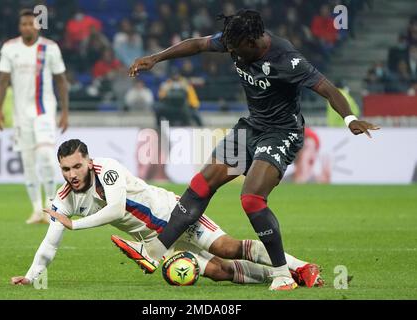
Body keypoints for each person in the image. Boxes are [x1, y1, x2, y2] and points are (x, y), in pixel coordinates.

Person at [124, 9, 379, 291]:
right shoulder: (235, 40)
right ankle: (155, 252)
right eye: (228, 48)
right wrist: (155, 58)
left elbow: (328, 89)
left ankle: (282, 275)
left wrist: (350, 119)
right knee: (201, 183)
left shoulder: (287, 59)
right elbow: (197, 44)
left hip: (281, 134)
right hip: (250, 129)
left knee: (251, 199)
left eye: (236, 49)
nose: (232, 54)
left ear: (253, 40)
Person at [10, 139, 323, 288]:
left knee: (227, 247)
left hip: (176, 215)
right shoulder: (64, 198)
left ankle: (302, 266)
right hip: (155, 240)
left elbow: (116, 208)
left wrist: (76, 226)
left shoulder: (109, 171)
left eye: (77, 166)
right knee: (219, 272)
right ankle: (284, 276)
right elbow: (51, 242)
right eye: (65, 169)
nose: (72, 174)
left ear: (88, 161)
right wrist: (32, 276)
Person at [0, 9, 69, 224]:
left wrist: (65, 111)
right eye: (24, 24)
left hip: (44, 111)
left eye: (31, 23)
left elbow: (61, 81)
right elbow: (2, 80)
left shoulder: (50, 48)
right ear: (20, 27)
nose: (27, 27)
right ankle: (36, 209)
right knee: (27, 162)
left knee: (47, 156)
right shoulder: (10, 48)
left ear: (38, 26)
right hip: (20, 115)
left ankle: (50, 205)